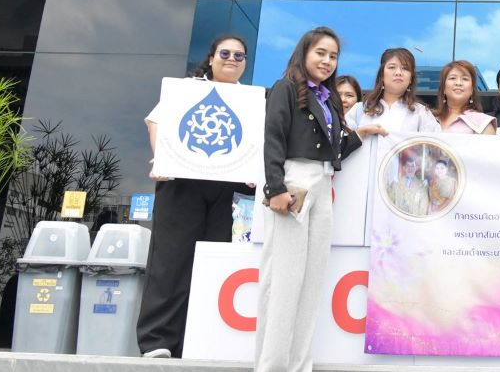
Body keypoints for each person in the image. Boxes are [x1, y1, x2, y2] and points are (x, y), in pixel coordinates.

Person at [137, 33, 250, 360]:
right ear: (211, 58)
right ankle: (157, 340)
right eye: (225, 53)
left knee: (215, 263)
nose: (232, 59)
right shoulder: (187, 89)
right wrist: (161, 158)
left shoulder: (250, 100)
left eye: (239, 55)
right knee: (171, 262)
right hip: (182, 182)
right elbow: (155, 122)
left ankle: (200, 340)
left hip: (227, 188)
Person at [256, 26, 360, 372]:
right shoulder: (285, 88)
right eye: (321, 53)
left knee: (312, 281)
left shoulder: (329, 98)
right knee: (284, 280)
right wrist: (275, 188)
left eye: (333, 56)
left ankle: (300, 366)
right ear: (304, 52)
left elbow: (335, 146)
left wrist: (361, 134)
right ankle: (271, 366)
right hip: (293, 181)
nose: (327, 61)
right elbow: (273, 137)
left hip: (322, 181)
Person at [349, 47, 440, 138]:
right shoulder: (359, 110)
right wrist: (361, 133)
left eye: (405, 68)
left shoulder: (422, 113)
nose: (398, 72)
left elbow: (437, 143)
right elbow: (342, 143)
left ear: (411, 79)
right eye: (392, 67)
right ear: (382, 75)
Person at [434, 60, 496, 134]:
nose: (458, 83)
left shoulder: (483, 123)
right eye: (452, 78)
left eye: (465, 79)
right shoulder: (429, 118)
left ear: (472, 90)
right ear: (443, 88)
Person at [386, 148, 429, 216]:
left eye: (412, 166)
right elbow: (389, 201)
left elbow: (424, 206)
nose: (410, 168)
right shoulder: (396, 183)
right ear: (404, 168)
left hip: (414, 218)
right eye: (408, 166)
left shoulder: (422, 185)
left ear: (416, 168)